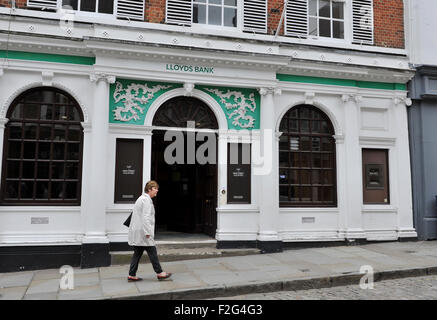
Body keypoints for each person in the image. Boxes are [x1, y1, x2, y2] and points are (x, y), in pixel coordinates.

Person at [127, 180, 172, 282]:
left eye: (157, 188)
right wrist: (148, 232)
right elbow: (146, 217)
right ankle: (160, 273)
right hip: (143, 232)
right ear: (149, 189)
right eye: (155, 188)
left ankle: (132, 274)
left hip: (139, 231)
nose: (157, 190)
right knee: (152, 251)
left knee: (137, 253)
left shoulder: (141, 198)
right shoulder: (146, 200)